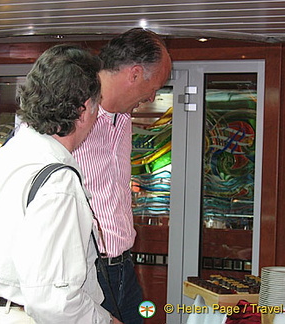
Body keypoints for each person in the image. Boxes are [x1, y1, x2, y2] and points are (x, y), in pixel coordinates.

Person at [0, 44, 122, 324]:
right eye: (98, 106)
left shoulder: (7, 159)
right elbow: (55, 301)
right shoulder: (58, 180)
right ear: (84, 110)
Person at [73, 28, 172, 323]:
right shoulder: (72, 117)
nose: (153, 95)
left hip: (124, 267)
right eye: (155, 85)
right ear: (135, 73)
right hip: (85, 270)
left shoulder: (124, 117)